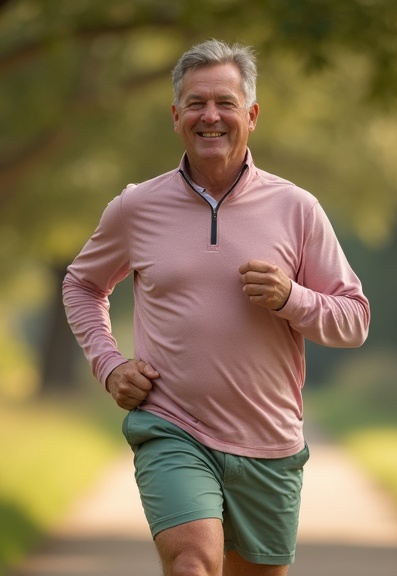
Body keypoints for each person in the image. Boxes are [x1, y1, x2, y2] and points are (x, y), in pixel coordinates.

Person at [62, 39, 370, 576]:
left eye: (225, 103)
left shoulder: (296, 208)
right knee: (192, 563)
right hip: (171, 427)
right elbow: (82, 284)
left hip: (269, 442)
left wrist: (291, 297)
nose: (211, 116)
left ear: (251, 115)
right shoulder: (136, 207)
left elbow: (354, 319)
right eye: (196, 103)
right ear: (175, 115)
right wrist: (109, 366)